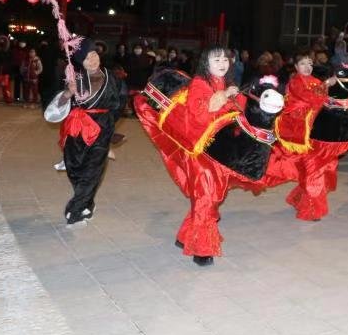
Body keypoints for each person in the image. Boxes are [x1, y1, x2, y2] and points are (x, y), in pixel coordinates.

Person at [135, 46, 242, 265]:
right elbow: (200, 115)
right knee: (206, 196)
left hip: (218, 150)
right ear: (206, 64)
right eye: (216, 60)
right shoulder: (199, 83)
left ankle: (185, 236)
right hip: (198, 150)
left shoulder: (225, 83)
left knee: (211, 196)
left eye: (225, 59)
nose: (222, 63)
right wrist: (225, 96)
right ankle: (202, 249)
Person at [43, 38, 126, 226]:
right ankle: (87, 203)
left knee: (92, 171)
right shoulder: (74, 79)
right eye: (87, 58)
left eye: (94, 55)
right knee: (75, 169)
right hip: (76, 129)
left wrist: (109, 124)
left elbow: (120, 104)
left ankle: (74, 211)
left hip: (101, 130)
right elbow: (55, 105)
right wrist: (68, 94)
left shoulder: (113, 78)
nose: (93, 60)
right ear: (81, 62)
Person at [274, 51, 340, 221]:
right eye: (303, 63)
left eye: (310, 63)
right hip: (300, 135)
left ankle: (300, 199)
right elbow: (310, 98)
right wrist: (326, 85)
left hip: (316, 132)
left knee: (316, 169)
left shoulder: (315, 81)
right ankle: (311, 209)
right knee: (313, 170)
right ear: (296, 67)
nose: (307, 67)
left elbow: (322, 101)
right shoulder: (295, 82)